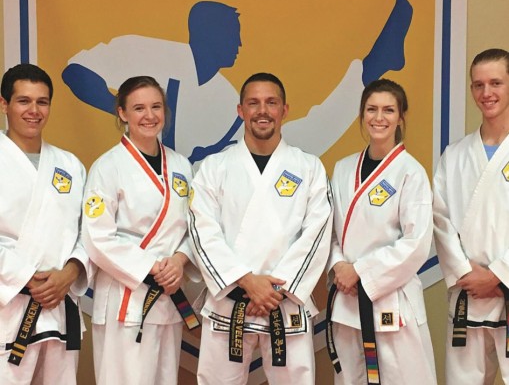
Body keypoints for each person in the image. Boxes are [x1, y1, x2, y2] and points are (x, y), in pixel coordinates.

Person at [62, 0, 412, 164]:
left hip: (188, 185)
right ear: (207, 35)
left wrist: (209, 152)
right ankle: (373, 67)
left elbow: (225, 148)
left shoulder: (221, 94)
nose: (240, 45)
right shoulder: (145, 52)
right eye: (234, 37)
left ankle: (373, 68)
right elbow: (75, 71)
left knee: (299, 137)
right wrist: (130, 114)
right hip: (146, 171)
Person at [188, 72, 333, 384]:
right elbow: (202, 232)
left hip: (285, 301)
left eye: (271, 102)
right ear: (240, 111)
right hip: (230, 299)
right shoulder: (214, 168)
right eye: (253, 103)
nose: (262, 110)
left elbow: (317, 235)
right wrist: (247, 282)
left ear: (285, 110)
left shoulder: (309, 168)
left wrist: (275, 290)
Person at [81, 76, 200, 385]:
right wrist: (150, 266)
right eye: (139, 108)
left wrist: (180, 260)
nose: (149, 116)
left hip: (168, 297)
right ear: (122, 113)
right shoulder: (107, 167)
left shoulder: (181, 166)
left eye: (156, 107)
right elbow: (97, 237)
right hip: (126, 298)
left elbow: (195, 225)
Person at [326, 79, 437, 384]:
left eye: (389, 110)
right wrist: (339, 267)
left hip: (390, 298)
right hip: (347, 298)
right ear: (362, 115)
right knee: (351, 379)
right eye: (371, 109)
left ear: (401, 117)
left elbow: (416, 243)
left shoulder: (411, 172)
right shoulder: (343, 168)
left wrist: (360, 271)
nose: (379, 117)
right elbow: (331, 232)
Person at [0, 63, 93, 384]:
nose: (34, 110)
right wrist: (27, 278)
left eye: (42, 101)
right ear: (4, 105)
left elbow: (89, 232)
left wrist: (70, 272)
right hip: (9, 306)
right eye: (23, 101)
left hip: (59, 307)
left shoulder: (69, 165)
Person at [433, 48, 509, 384]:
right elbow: (439, 220)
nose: (486, 93)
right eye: (478, 85)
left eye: (496, 83)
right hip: (467, 294)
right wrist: (467, 272)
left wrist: (497, 274)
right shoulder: (455, 155)